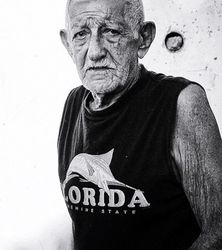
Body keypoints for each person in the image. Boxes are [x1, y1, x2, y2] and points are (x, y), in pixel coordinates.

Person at [57, 0, 222, 249]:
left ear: (143, 39)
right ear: (68, 44)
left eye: (110, 31)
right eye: (81, 34)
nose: (94, 52)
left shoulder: (181, 103)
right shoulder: (73, 103)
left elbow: (219, 231)